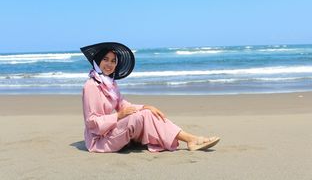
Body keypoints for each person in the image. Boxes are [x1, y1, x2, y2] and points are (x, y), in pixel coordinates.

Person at [81, 42, 220, 153]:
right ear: (97, 61)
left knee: (148, 112)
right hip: (99, 140)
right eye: (105, 59)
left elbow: (123, 104)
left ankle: (190, 139)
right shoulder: (91, 86)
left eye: (113, 61)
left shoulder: (110, 84)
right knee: (140, 117)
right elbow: (92, 122)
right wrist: (119, 116)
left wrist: (145, 106)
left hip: (110, 131)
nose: (109, 64)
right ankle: (191, 139)